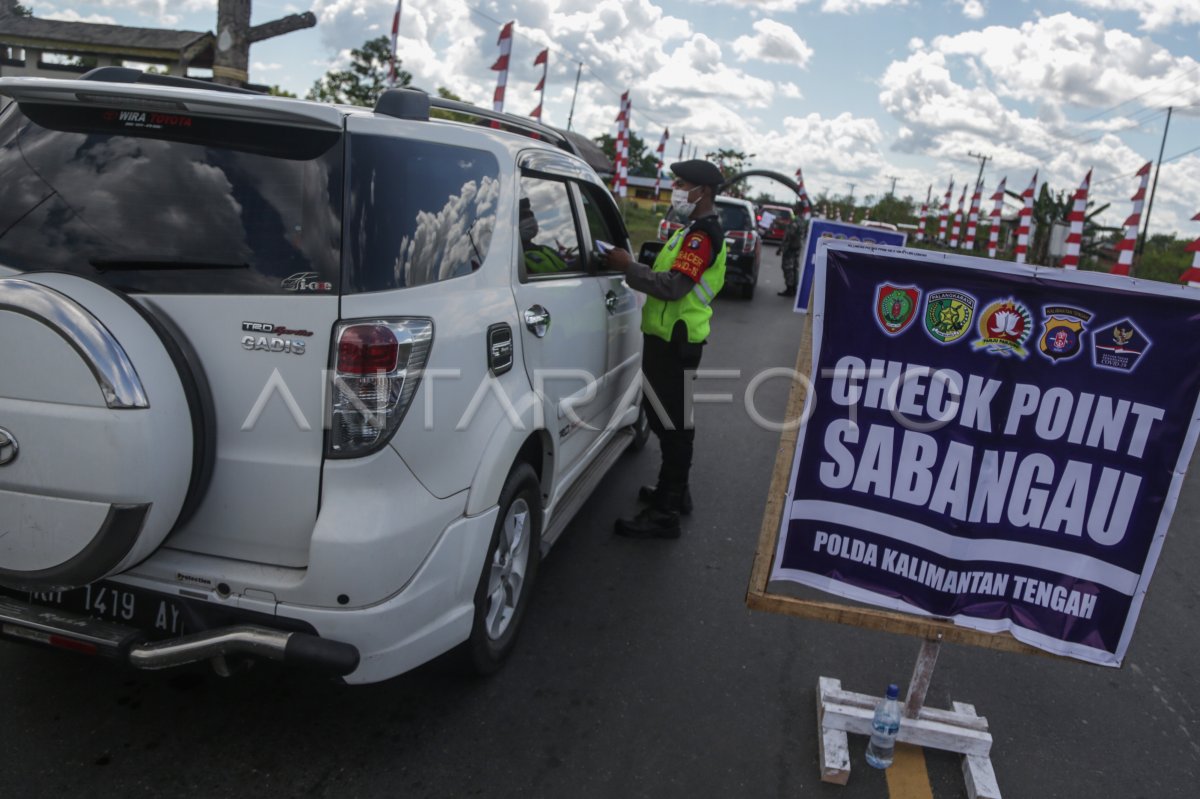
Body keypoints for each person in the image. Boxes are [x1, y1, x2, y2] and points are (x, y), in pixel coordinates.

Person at [600, 159, 727, 539]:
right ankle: (676, 492)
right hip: (670, 339)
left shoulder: (701, 237)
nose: (676, 187)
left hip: (676, 342)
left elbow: (673, 287)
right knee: (666, 420)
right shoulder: (691, 231)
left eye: (682, 182)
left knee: (672, 425)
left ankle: (665, 512)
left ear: (701, 191)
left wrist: (628, 266)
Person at [519, 198, 569, 273]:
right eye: (525, 216)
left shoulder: (547, 249)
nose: (531, 219)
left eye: (531, 215)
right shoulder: (515, 261)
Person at [777, 203, 804, 297]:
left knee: (788, 268)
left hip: (790, 248)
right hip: (797, 247)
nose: (794, 208)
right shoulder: (802, 220)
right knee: (794, 268)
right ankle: (794, 288)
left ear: (799, 209)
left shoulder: (795, 220)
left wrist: (781, 248)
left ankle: (790, 288)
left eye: (795, 207)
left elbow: (789, 235)